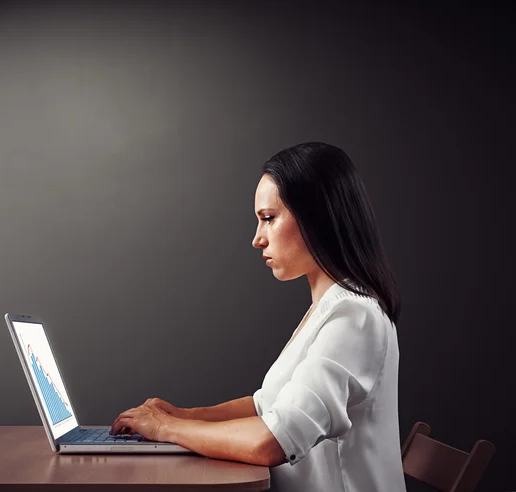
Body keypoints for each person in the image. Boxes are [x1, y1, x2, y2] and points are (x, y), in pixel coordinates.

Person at [110, 142, 406, 492]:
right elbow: (265, 406)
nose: (257, 239)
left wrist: (164, 428)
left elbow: (273, 439)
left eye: (268, 218)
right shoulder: (330, 309)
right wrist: (184, 415)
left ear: (318, 216)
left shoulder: (354, 317)